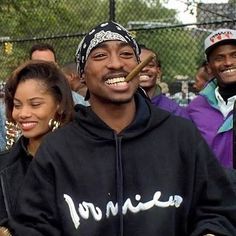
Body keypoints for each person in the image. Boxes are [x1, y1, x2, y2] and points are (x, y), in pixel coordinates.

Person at [3, 21, 236, 236]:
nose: (115, 63)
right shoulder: (58, 149)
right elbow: (33, 225)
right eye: (101, 55)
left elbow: (216, 209)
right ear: (82, 74)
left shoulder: (180, 135)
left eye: (126, 54)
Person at [0, 60, 74, 224]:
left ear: (59, 105)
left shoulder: (83, 156)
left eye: (35, 104)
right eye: (17, 105)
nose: (23, 113)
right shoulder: (4, 165)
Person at [187, 28, 236, 169]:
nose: (228, 62)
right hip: (210, 188)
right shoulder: (195, 108)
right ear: (209, 67)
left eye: (234, 55)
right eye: (219, 58)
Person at [139, 44, 189, 118]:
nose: (143, 69)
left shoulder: (174, 111)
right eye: (138, 65)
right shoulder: (120, 108)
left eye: (150, 65)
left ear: (158, 72)